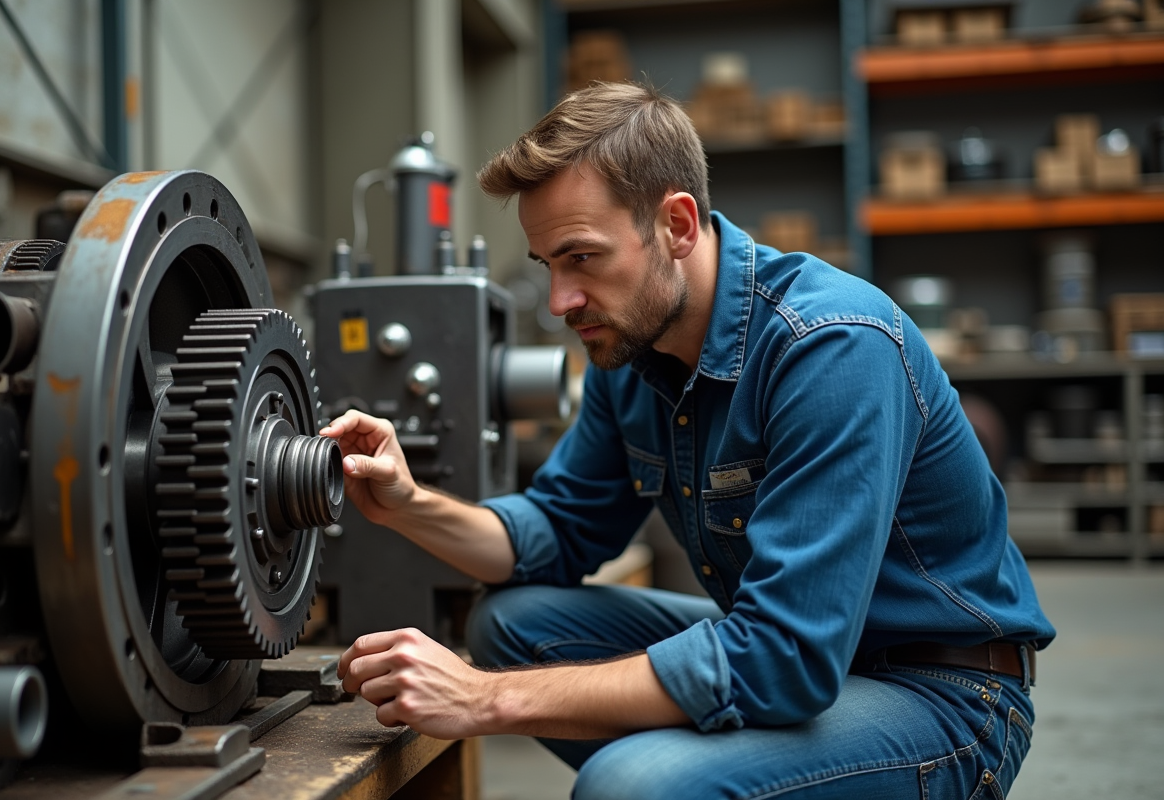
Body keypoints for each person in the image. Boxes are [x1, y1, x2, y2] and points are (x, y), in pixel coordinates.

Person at [322, 81, 1055, 799]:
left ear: (676, 225)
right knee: (514, 623)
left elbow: (784, 657)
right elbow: (557, 531)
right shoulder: (630, 352)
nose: (559, 303)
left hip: (941, 694)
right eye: (548, 266)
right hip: (799, 657)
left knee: (631, 785)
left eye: (582, 257)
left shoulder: (831, 347)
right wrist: (406, 503)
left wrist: (485, 701)